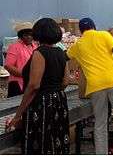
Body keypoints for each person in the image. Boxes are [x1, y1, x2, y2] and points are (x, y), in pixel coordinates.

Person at [66, 18, 113, 154]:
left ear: (80, 31)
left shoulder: (78, 44)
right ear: (94, 26)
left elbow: (65, 57)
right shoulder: (104, 35)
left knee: (100, 122)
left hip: (96, 87)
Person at [8, 18, 70, 154]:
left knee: (41, 142)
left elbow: (34, 85)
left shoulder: (39, 53)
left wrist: (18, 114)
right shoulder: (61, 52)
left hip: (42, 103)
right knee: (57, 138)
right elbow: (66, 81)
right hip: (59, 100)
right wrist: (55, 93)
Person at [4, 22, 37, 98]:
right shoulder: (14, 47)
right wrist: (25, 75)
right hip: (17, 84)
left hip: (32, 83)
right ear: (21, 36)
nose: (29, 37)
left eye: (31, 34)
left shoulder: (35, 46)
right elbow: (8, 65)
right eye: (26, 35)